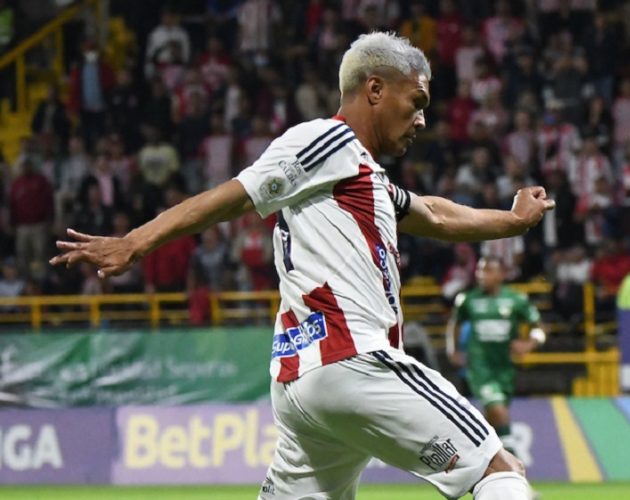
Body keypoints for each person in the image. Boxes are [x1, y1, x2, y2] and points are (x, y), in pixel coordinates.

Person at [50, 32, 553, 500]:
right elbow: (236, 195)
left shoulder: (363, 174)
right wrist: (135, 243)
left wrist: (511, 221)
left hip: (302, 381)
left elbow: (434, 214)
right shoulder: (327, 142)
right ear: (374, 89)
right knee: (499, 469)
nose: (422, 119)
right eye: (416, 102)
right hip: (350, 357)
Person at [446, 256, 546, 458]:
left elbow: (540, 328)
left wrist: (530, 343)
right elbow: (454, 324)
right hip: (479, 367)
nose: (482, 275)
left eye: (489, 270)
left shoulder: (516, 300)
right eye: (480, 271)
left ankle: (480, 464)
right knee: (499, 411)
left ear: (502, 274)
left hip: (505, 367)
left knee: (493, 420)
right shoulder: (468, 299)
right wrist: (453, 350)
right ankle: (517, 477)